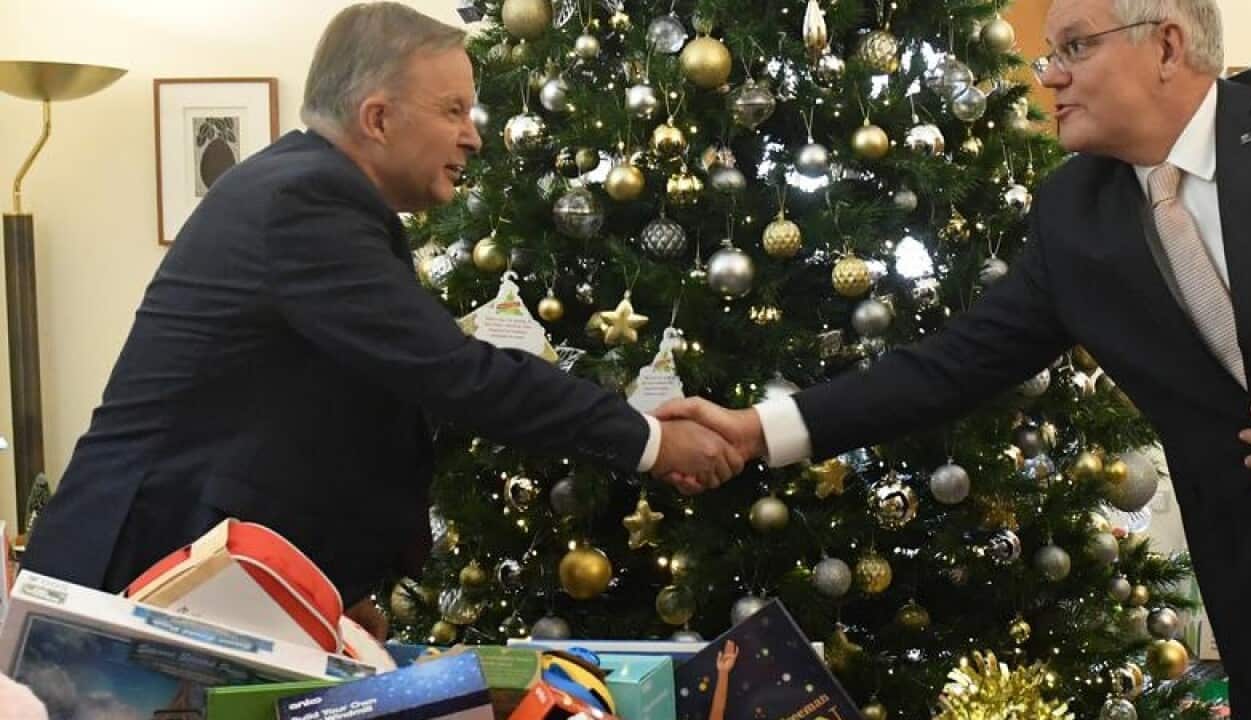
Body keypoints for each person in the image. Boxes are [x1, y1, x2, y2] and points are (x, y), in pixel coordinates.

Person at [20, 2, 743, 636]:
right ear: (376, 117)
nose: (475, 137)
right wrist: (649, 440)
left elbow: (326, 412)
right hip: (140, 579)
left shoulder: (313, 194)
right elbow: (452, 374)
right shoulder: (305, 203)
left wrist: (326, 592)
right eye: (454, 110)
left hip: (202, 580)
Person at [658, 0, 1251, 714]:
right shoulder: (1074, 212)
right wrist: (757, 429)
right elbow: (950, 367)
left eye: (1075, 48)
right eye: (1049, 53)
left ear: (1167, 47)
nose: (1049, 77)